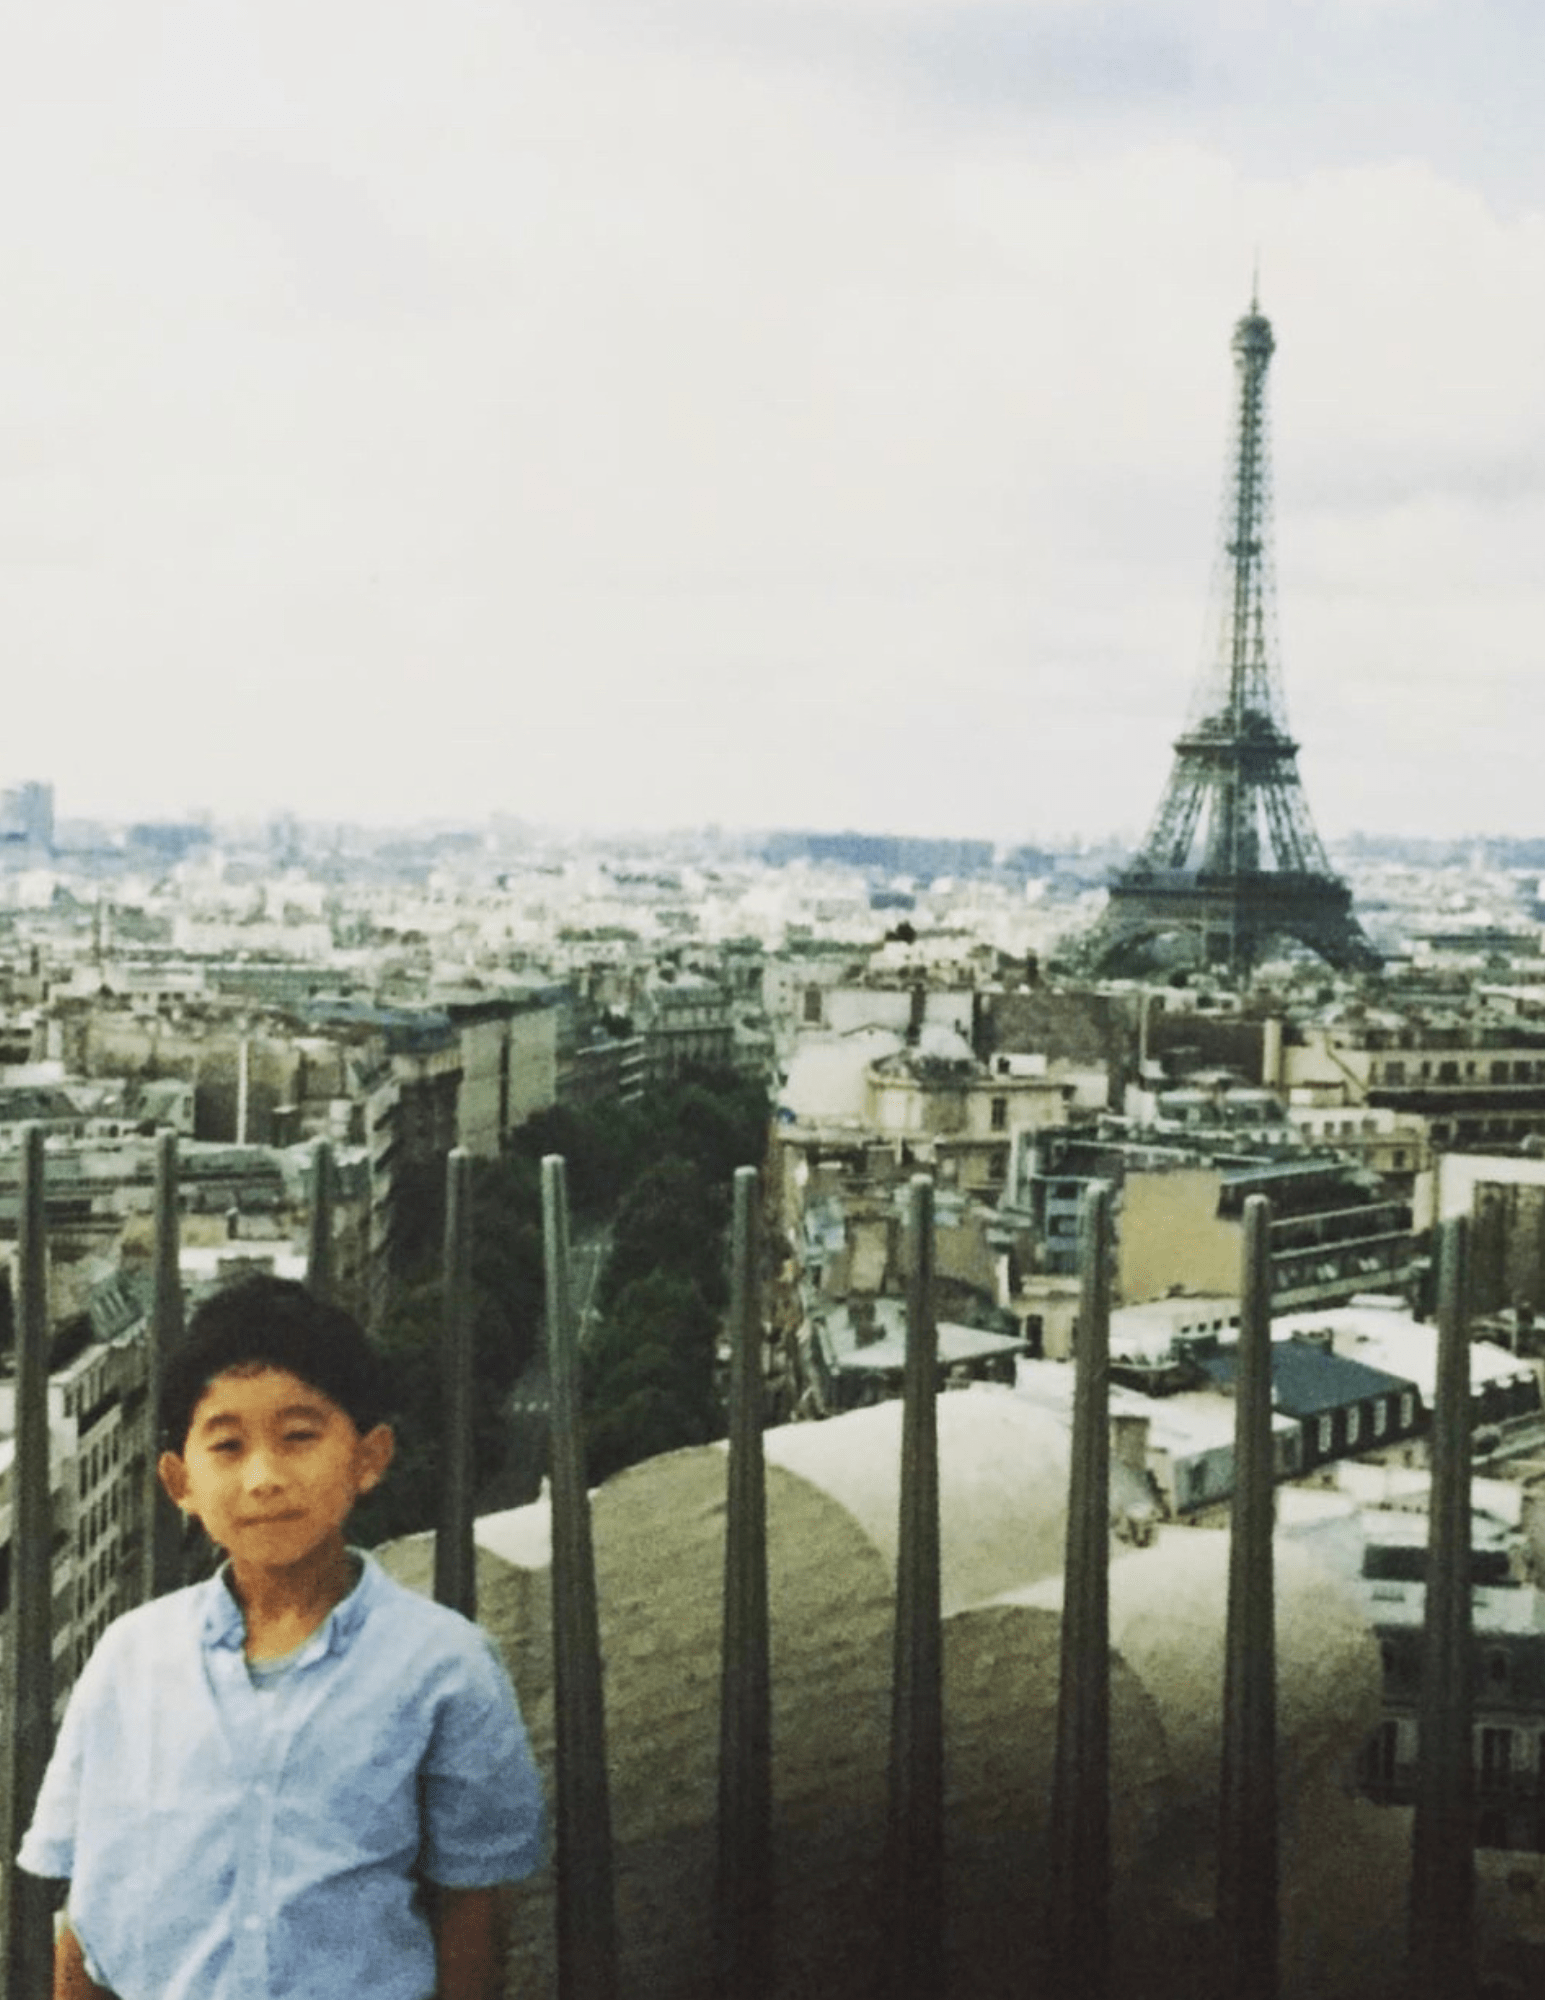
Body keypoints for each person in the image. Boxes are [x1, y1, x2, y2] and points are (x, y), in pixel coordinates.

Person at [19, 1273, 546, 2000]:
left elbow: (474, 1910)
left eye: (299, 1437)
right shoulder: (130, 1659)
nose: (264, 1477)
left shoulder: (443, 1669)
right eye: (227, 1446)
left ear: (369, 1456)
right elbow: (89, 1908)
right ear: (180, 1482)